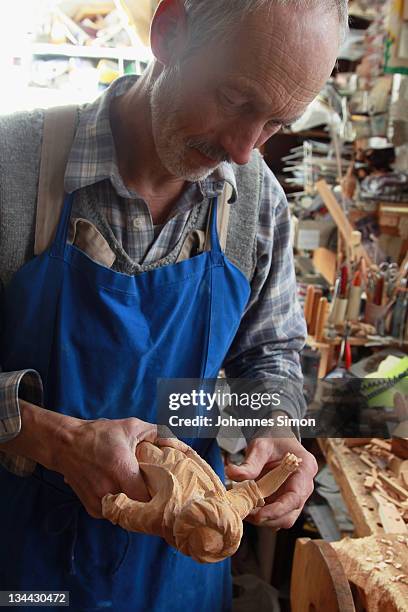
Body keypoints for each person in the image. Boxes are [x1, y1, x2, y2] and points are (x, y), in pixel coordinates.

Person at [0, 0, 348, 609]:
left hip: (179, 570)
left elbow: (269, 357)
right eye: (237, 99)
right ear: (170, 33)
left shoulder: (256, 201)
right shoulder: (14, 169)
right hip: (22, 565)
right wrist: (54, 440)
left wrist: (274, 427)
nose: (244, 149)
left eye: (275, 123)